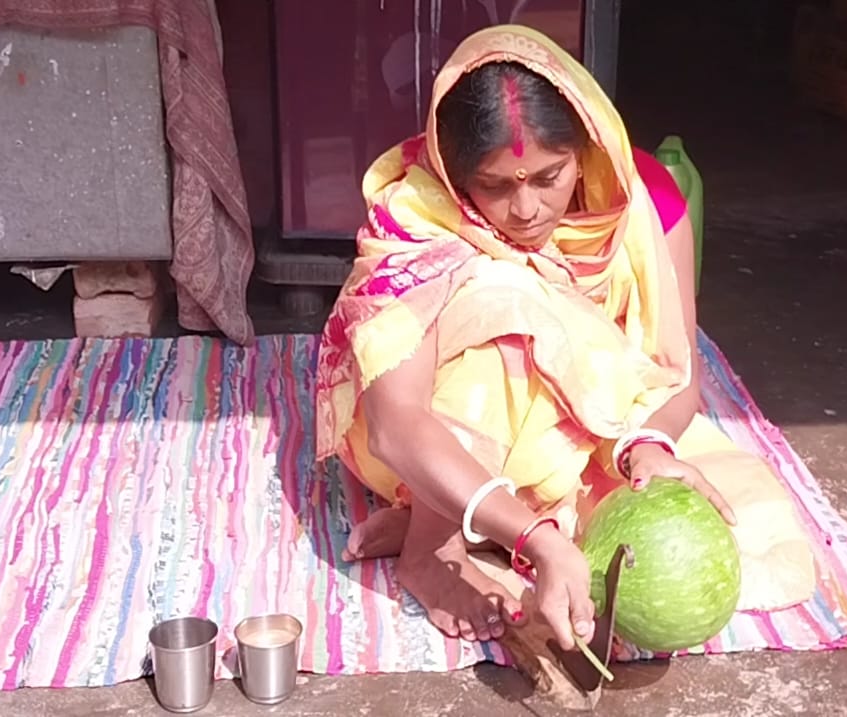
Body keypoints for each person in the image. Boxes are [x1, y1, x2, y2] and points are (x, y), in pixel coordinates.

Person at [315, 25, 818, 652]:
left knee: (660, 514)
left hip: (581, 432)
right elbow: (396, 424)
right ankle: (431, 548)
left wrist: (650, 447)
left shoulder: (643, 203)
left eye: (548, 176)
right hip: (430, 437)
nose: (525, 209)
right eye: (495, 186)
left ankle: (461, 513)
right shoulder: (418, 213)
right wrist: (539, 543)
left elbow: (675, 368)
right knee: (505, 312)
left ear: (583, 146)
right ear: (453, 174)